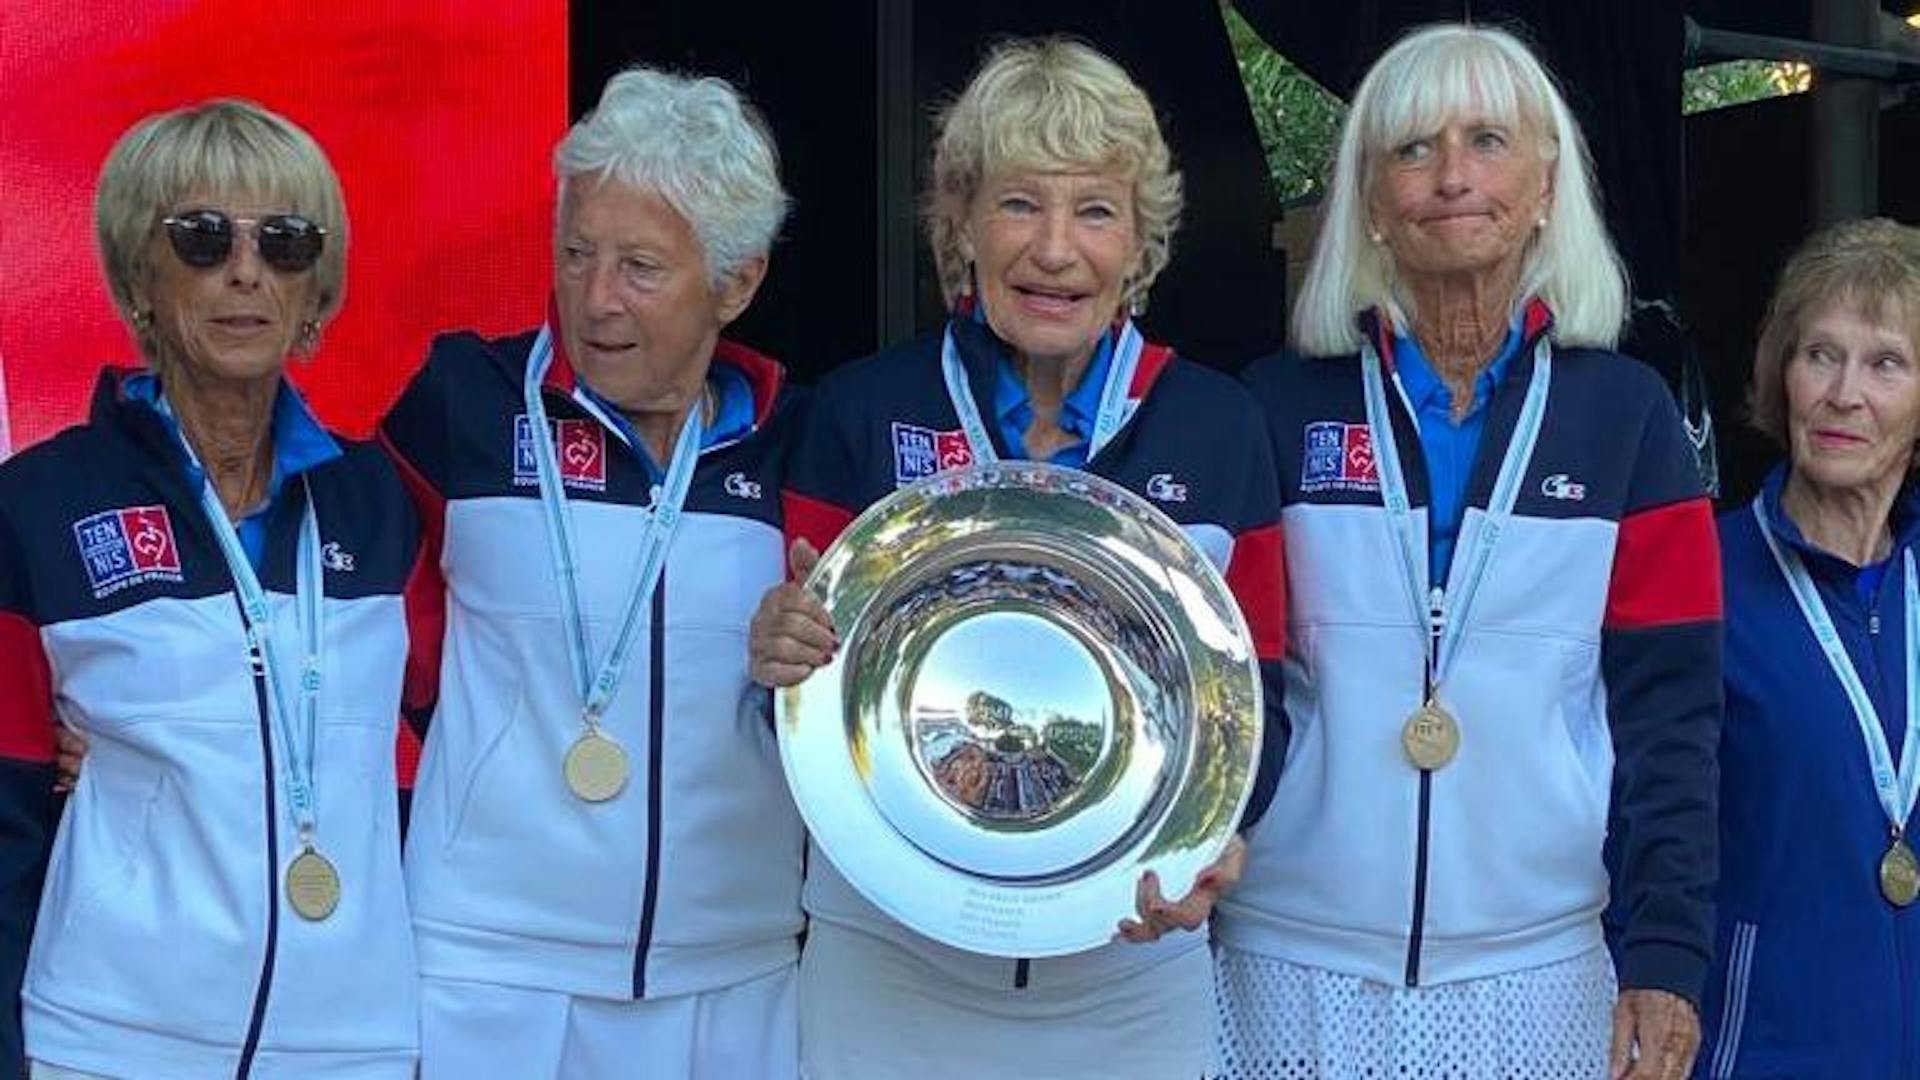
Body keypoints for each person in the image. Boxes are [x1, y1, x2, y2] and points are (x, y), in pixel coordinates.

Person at [747, 37, 1287, 1079]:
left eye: (1094, 210)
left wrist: (1223, 836)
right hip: (889, 968)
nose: (1054, 250)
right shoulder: (861, 413)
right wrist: (774, 651)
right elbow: (797, 711)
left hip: (1130, 976)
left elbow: (1260, 700)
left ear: (1141, 241)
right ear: (960, 228)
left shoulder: (1219, 429)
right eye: (1017, 205)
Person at [1222, 23, 1721, 1080]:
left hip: (1539, 969)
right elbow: (1230, 691)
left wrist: (1668, 952)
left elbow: (1670, 715)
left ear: (1547, 183)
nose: (1452, 176)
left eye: (1488, 141)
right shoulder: (1268, 410)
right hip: (1287, 959)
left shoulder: (1629, 421)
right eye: (1412, 149)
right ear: (1368, 200)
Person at [379, 66, 806, 1078]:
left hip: (733, 968)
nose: (596, 299)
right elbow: (331, 616)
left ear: (736, 281)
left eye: (641, 268)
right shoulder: (463, 407)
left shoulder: (797, 444)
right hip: (488, 966)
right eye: (577, 255)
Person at [0, 100, 421, 1078]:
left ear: (316, 286)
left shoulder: (383, 503)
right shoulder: (40, 505)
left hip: (348, 1046)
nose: (245, 271)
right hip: (107, 1041)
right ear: (138, 276)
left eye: (284, 242)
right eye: (201, 239)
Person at [1698, 218, 1920, 1079]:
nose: (1843, 394)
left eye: (1886, 363)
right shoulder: (1701, 579)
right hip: (1760, 1053)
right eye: (1820, 354)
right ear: (1780, 371)